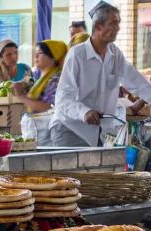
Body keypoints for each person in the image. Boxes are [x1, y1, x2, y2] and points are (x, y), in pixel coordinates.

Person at [52, 1, 151, 146]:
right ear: (98, 26)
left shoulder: (115, 54)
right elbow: (62, 98)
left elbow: (137, 82)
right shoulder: (77, 55)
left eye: (118, 23)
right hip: (70, 129)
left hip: (99, 131)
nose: (118, 28)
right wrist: (84, 112)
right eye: (113, 23)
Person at [15, 39, 68, 145]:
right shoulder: (40, 78)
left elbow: (50, 108)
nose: (36, 56)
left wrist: (22, 97)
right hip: (38, 133)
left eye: (40, 53)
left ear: (53, 57)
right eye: (35, 53)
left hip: (48, 136)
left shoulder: (56, 79)